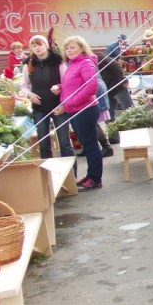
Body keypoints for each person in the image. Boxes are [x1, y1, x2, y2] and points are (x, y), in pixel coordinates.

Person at [54, 36, 103, 191]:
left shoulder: (86, 63)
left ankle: (95, 178)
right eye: (67, 48)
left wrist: (72, 102)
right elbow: (74, 85)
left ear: (82, 48)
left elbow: (92, 87)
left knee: (90, 145)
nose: (68, 51)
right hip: (75, 110)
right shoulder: (73, 64)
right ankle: (90, 175)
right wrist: (60, 87)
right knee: (87, 145)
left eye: (72, 48)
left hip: (85, 110)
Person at [19, 35, 75, 160]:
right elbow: (23, 85)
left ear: (46, 45)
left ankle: (72, 176)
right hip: (39, 108)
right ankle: (48, 177)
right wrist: (30, 94)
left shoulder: (58, 61)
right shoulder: (29, 64)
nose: (37, 48)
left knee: (64, 142)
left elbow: (67, 83)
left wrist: (63, 102)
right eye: (34, 45)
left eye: (40, 44)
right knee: (43, 144)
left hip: (59, 106)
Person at [97, 53, 133, 125]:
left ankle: (137, 132)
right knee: (109, 118)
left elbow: (114, 65)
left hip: (117, 86)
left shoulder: (97, 57)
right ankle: (113, 136)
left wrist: (123, 80)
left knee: (130, 111)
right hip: (105, 91)